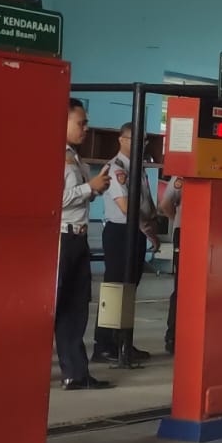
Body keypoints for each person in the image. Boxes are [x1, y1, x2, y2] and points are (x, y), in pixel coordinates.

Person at [58, 99, 113, 390]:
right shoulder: (53, 155)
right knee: (55, 306)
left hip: (78, 238)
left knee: (76, 308)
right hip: (61, 239)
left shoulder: (76, 158)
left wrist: (94, 190)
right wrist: (88, 188)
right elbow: (53, 199)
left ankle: (76, 374)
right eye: (81, 123)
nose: (86, 128)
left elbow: (76, 196)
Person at [95, 122, 158, 363]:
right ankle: (104, 345)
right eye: (135, 139)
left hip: (137, 231)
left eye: (144, 140)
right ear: (121, 140)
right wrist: (147, 229)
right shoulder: (117, 168)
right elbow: (125, 206)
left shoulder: (138, 168)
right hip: (121, 232)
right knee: (115, 290)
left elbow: (146, 201)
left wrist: (151, 226)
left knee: (129, 290)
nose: (141, 144)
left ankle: (123, 343)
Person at [160, 176, 182, 355]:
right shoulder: (180, 176)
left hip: (210, 232)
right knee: (182, 287)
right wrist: (179, 220)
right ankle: (173, 336)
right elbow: (166, 204)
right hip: (185, 230)